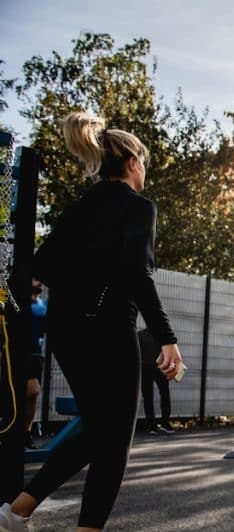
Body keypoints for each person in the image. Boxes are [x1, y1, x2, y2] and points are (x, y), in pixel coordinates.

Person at [0, 112, 183, 532]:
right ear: (133, 163)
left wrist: (84, 280)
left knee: (102, 430)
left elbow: (39, 265)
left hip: (67, 332)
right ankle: (38, 516)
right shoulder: (138, 208)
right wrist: (166, 338)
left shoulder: (81, 207)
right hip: (110, 332)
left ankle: (17, 511)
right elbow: (139, 275)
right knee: (114, 438)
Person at [23, 280, 47, 449]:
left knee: (32, 398)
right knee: (30, 391)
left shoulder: (43, 305)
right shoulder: (20, 303)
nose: (39, 281)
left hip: (37, 356)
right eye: (35, 278)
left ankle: (26, 433)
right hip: (20, 355)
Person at [138, 327, 174, 435]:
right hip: (159, 368)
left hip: (147, 369)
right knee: (164, 395)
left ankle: (152, 426)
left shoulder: (140, 335)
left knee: (149, 397)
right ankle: (164, 424)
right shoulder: (161, 334)